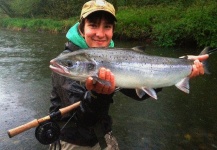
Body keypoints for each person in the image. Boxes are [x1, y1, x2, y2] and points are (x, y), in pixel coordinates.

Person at [48, 0, 209, 149]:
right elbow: (84, 120)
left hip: (102, 137)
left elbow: (138, 94)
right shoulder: (66, 61)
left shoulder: (112, 55)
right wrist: (98, 95)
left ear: (113, 31)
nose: (100, 33)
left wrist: (184, 64)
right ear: (82, 29)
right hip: (71, 142)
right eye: (93, 25)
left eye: (107, 27)